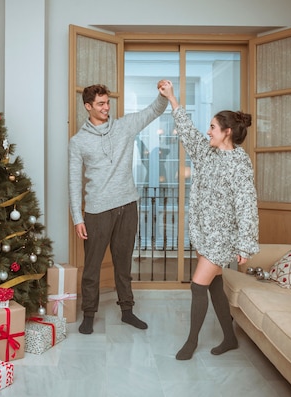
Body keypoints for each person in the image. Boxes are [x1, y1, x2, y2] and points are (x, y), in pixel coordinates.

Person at [158, 80, 259, 360]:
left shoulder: (240, 163)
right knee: (214, 285)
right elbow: (189, 133)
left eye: (213, 127)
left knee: (197, 284)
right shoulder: (207, 152)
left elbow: (246, 204)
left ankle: (191, 342)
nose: (208, 131)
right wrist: (172, 98)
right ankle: (229, 338)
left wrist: (245, 245)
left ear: (227, 132)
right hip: (202, 231)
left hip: (222, 236)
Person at [69, 82, 169, 334]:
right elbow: (72, 181)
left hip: (127, 206)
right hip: (97, 211)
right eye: (101, 104)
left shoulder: (124, 126)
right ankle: (89, 315)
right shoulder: (78, 141)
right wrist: (77, 217)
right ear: (88, 107)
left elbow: (153, 110)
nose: (106, 107)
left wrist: (164, 93)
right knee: (91, 268)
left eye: (107, 102)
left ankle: (127, 311)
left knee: (123, 264)